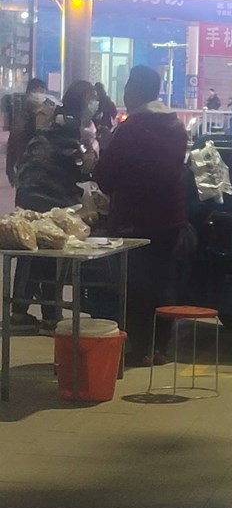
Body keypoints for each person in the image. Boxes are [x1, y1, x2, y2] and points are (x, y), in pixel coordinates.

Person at [94, 65, 189, 366]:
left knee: (135, 285)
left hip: (134, 220)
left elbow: (105, 176)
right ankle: (161, 348)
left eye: (127, 87)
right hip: (171, 218)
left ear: (135, 91)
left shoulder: (132, 128)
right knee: (164, 281)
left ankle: (141, 349)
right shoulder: (176, 127)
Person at [12, 80, 98, 333]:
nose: (94, 104)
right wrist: (89, 163)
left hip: (29, 190)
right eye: (92, 98)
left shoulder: (56, 117)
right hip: (47, 194)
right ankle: (50, 315)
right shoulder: (69, 123)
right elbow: (74, 163)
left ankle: (20, 312)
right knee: (51, 251)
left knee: (30, 250)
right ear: (83, 100)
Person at [5, 78, 56, 187]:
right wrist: (9, 168)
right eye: (34, 91)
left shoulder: (52, 116)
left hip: (46, 169)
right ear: (28, 94)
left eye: (41, 91)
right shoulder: (21, 116)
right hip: (24, 167)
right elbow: (12, 142)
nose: (38, 94)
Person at [93, 82, 117, 150]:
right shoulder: (104, 100)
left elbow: (101, 112)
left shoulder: (104, 101)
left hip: (104, 125)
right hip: (104, 125)